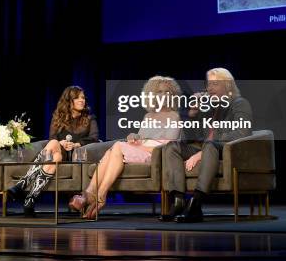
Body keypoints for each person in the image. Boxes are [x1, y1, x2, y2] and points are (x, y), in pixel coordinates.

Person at [69, 76, 182, 219]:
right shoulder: (148, 116)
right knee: (113, 151)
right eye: (159, 92)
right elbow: (141, 137)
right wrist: (134, 136)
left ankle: (96, 195)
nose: (163, 95)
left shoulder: (174, 116)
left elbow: (169, 146)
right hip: (139, 151)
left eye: (167, 92)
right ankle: (92, 196)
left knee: (117, 146)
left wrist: (140, 145)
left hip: (154, 155)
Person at [161, 68, 252, 223]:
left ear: (228, 86)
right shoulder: (206, 107)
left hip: (227, 150)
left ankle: (196, 203)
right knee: (171, 147)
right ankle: (178, 201)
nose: (209, 88)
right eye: (208, 84)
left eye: (215, 84)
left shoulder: (239, 104)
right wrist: (193, 113)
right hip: (206, 147)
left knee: (210, 145)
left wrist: (203, 150)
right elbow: (189, 137)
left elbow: (242, 133)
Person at [7, 85, 99, 217]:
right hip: (58, 153)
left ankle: (22, 184)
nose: (82, 100)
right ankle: (30, 200)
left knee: (53, 150)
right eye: (77, 98)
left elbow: (94, 139)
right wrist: (61, 143)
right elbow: (52, 138)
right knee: (54, 154)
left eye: (83, 98)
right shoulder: (58, 116)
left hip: (76, 155)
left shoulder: (90, 118)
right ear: (69, 101)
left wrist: (76, 144)